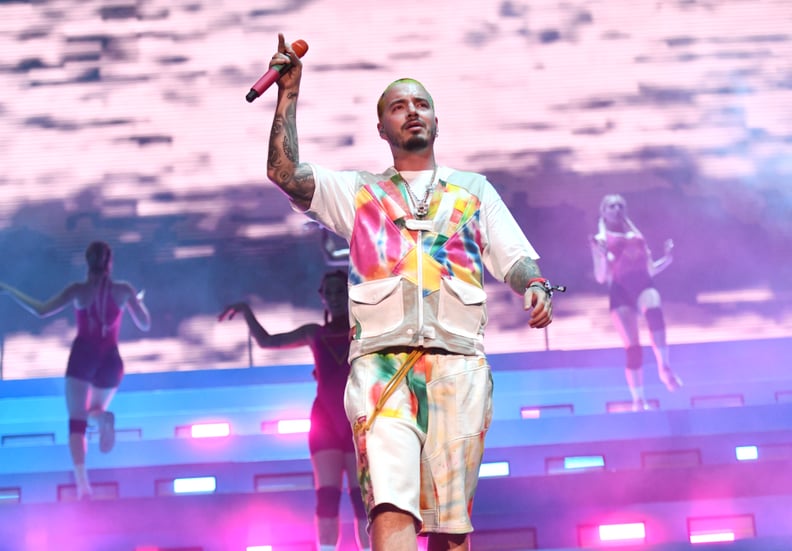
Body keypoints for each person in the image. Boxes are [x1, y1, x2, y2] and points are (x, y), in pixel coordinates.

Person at [262, 34, 554, 551]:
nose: (412, 112)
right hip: (381, 370)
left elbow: (515, 256)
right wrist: (289, 94)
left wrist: (533, 285)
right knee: (389, 507)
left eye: (422, 104)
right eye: (399, 106)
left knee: (450, 527)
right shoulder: (359, 193)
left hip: (458, 366)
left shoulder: (474, 191)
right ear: (381, 128)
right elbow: (284, 173)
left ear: (437, 121)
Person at [218, 270, 370, 551]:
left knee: (362, 500)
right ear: (322, 298)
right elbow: (266, 341)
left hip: (355, 420)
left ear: (350, 294)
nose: (336, 298)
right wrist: (246, 312)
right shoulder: (315, 333)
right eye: (330, 293)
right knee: (327, 498)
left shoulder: (363, 331)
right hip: (325, 422)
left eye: (341, 292)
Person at [0, 241, 150, 498]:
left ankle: (83, 487)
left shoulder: (78, 291)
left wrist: (8, 288)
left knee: (76, 424)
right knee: (94, 410)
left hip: (83, 357)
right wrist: (134, 302)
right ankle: (102, 418)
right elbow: (145, 324)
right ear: (110, 263)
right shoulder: (124, 290)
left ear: (86, 262)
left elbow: (41, 309)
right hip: (111, 360)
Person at [590, 194, 682, 411]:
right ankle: (638, 400)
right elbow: (601, 277)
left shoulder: (637, 236)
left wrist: (667, 259)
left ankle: (664, 366)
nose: (616, 209)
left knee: (655, 314)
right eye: (611, 206)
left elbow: (649, 268)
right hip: (620, 290)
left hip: (643, 284)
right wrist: (603, 256)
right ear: (603, 212)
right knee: (633, 348)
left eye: (620, 205)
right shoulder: (601, 239)